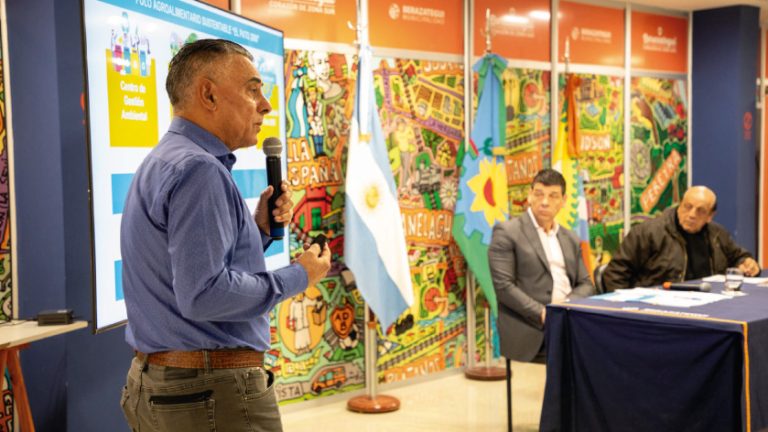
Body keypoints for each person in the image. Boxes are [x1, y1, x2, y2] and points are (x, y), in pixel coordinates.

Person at [119, 39, 331, 432]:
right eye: (253, 90)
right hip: (209, 395)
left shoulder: (166, 159)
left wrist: (258, 230)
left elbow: (185, 267)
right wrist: (299, 275)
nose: (266, 105)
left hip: (176, 389)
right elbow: (204, 294)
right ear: (209, 95)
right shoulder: (199, 169)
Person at [489, 169, 595, 363]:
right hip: (531, 329)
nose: (545, 202)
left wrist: (565, 307)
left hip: (569, 323)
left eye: (553, 196)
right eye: (539, 194)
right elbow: (503, 286)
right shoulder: (507, 232)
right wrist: (544, 313)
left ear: (563, 201)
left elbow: (586, 283)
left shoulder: (570, 237)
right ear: (530, 196)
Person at [603, 186, 760, 291]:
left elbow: (738, 256)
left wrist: (747, 262)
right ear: (680, 205)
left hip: (708, 302)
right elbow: (615, 274)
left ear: (710, 216)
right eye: (687, 206)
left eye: (700, 211)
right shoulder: (647, 233)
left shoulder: (717, 234)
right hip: (660, 305)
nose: (692, 215)